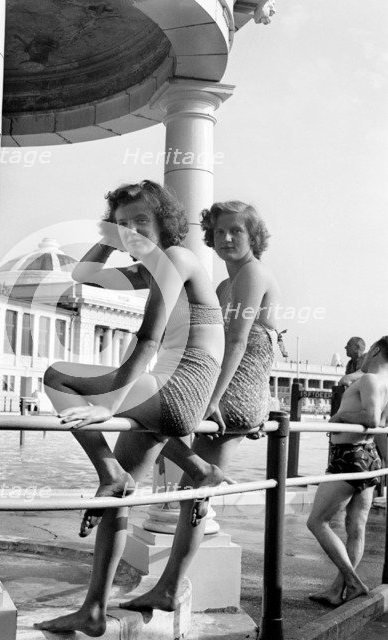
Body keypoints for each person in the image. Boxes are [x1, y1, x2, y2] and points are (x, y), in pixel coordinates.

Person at [35, 180, 225, 635]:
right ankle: (95, 609)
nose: (133, 230)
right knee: (121, 495)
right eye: (123, 224)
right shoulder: (155, 266)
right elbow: (82, 276)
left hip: (174, 388)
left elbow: (149, 338)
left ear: (165, 222)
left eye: (142, 220)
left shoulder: (175, 259)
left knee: (56, 376)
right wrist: (107, 239)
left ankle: (113, 474)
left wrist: (110, 405)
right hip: (178, 394)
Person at [119, 200, 282, 613]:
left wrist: (210, 399)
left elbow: (241, 341)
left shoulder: (252, 274)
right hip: (237, 392)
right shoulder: (226, 284)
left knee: (150, 424)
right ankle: (170, 586)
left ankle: (170, 586)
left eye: (237, 231)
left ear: (254, 235)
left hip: (232, 395)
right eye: (220, 231)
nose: (226, 238)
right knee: (190, 489)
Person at [306, 336, 388, 606]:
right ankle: (338, 589)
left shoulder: (369, 380)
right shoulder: (384, 383)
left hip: (349, 457)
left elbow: (371, 419)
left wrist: (339, 418)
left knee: (317, 522)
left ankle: (353, 582)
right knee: (356, 529)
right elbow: (381, 428)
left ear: (375, 349)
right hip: (368, 459)